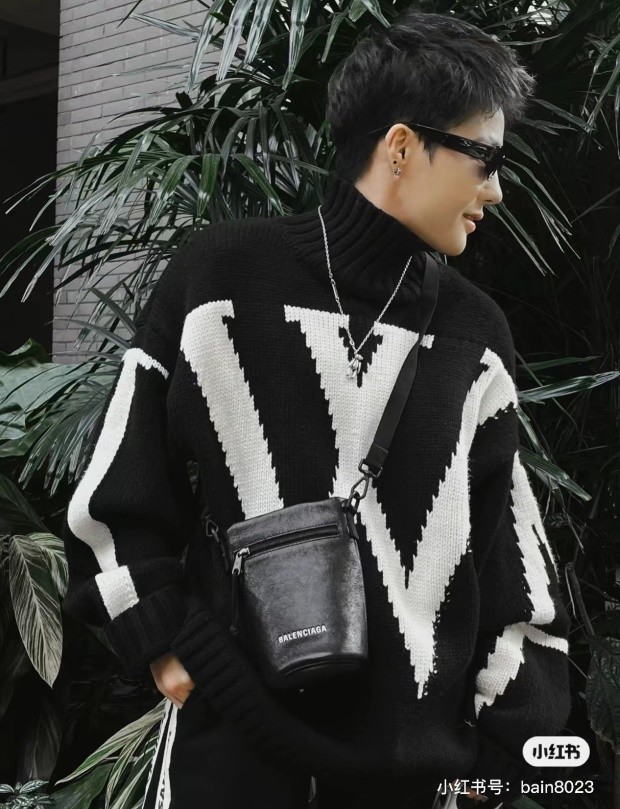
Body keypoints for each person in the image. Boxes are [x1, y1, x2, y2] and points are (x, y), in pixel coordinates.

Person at [61, 8, 572, 809]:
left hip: (410, 777)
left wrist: (503, 753)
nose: (497, 191)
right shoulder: (222, 279)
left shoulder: (475, 335)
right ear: (401, 147)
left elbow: (514, 563)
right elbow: (116, 489)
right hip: (230, 756)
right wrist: (166, 644)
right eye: (486, 159)